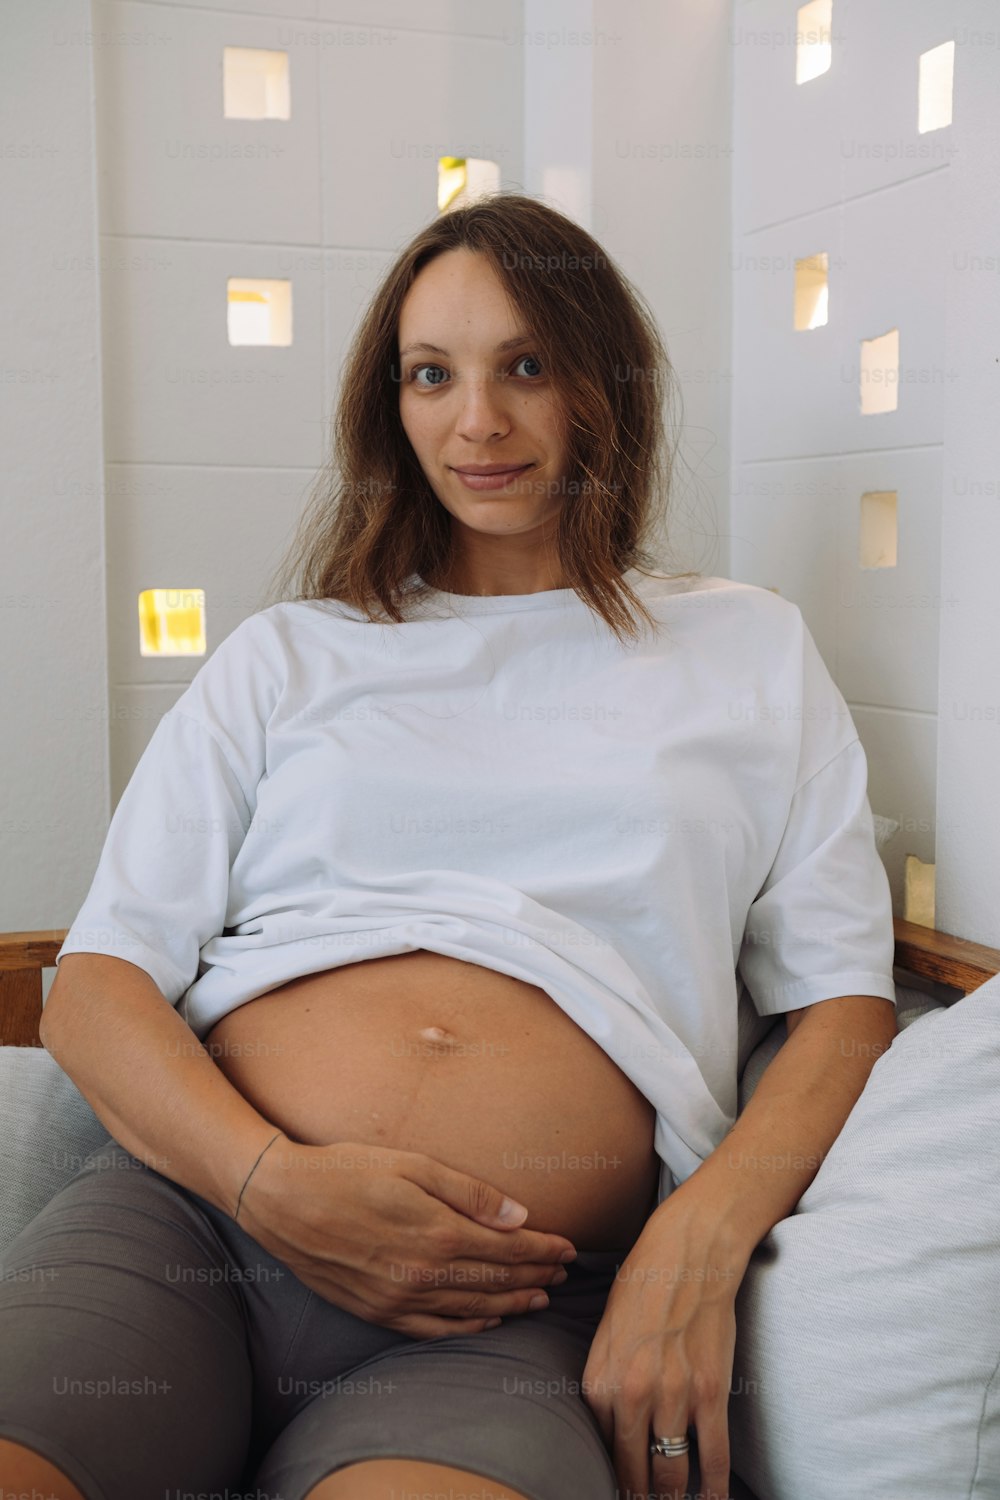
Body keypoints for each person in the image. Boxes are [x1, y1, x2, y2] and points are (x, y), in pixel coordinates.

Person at [0, 192, 897, 1500]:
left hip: (513, 1300)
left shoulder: (746, 648)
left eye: (524, 365)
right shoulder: (291, 655)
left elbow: (839, 1005)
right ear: (393, 404)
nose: (476, 420)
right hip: (194, 1234)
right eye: (433, 375)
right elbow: (94, 986)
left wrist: (695, 1242)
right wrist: (271, 1186)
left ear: (605, 386)